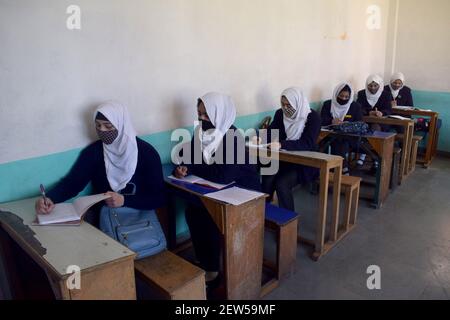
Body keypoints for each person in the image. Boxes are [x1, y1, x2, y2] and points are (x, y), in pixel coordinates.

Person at [35, 101, 167, 231]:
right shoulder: (94, 151)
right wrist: (50, 198)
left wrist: (125, 200)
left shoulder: (147, 153)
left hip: (137, 222)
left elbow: (158, 198)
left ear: (121, 125)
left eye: (108, 126)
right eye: (98, 126)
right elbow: (72, 183)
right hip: (102, 219)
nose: (102, 130)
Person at [172, 92, 260, 286]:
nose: (201, 119)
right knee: (192, 211)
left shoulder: (232, 136)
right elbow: (191, 158)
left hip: (244, 190)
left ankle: (212, 268)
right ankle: (204, 259)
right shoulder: (201, 133)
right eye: (199, 114)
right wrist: (181, 168)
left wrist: (194, 167)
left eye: (206, 115)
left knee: (208, 215)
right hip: (219, 188)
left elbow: (224, 175)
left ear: (219, 114)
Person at [259, 87, 321, 211]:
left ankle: (289, 223)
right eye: (283, 104)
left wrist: (282, 145)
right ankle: (263, 212)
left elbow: (307, 143)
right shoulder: (280, 114)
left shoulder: (312, 118)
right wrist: (260, 139)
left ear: (297, 103)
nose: (285, 108)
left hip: (304, 163)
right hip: (283, 160)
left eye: (289, 105)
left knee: (282, 183)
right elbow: (271, 133)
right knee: (267, 176)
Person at [321, 82, 363, 174]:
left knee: (341, 142)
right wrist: (331, 121)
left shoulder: (355, 106)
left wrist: (348, 124)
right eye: (341, 96)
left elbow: (359, 122)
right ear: (336, 94)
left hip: (349, 136)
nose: (343, 99)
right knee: (335, 141)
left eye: (346, 97)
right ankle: (341, 168)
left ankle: (341, 168)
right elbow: (322, 120)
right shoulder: (328, 104)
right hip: (330, 135)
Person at [356, 74, 393, 167]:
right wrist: (369, 112)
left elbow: (389, 109)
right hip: (366, 121)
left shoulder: (386, 94)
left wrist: (382, 113)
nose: (372, 88)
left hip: (381, 123)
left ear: (379, 85)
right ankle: (371, 156)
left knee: (375, 129)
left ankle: (370, 156)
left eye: (375, 86)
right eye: (370, 86)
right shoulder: (361, 94)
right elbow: (358, 108)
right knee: (364, 129)